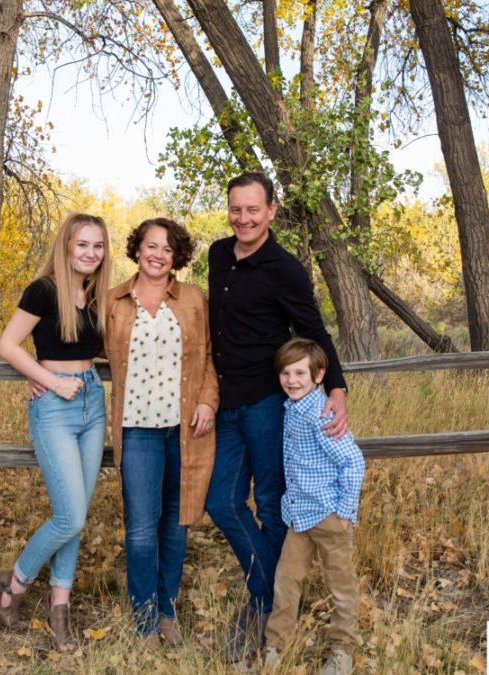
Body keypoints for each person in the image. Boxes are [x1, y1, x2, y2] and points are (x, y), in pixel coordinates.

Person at [206, 172, 350, 660]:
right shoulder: (217, 255)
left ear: (271, 210)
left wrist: (338, 388)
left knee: (270, 506)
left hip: (270, 406)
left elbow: (314, 330)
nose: (243, 218)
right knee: (222, 502)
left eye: (253, 209)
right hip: (226, 404)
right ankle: (271, 593)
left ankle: (263, 610)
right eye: (235, 209)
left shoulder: (284, 268)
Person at [0, 212, 111, 653]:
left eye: (97, 246)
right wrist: (47, 377)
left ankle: (59, 610)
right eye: (82, 245)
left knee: (75, 517)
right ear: (66, 245)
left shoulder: (97, 296)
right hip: (54, 407)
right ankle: (14, 584)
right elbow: (7, 344)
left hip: (93, 403)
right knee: (70, 516)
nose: (90, 254)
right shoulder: (43, 290)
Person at [105, 217, 219, 646]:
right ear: (137, 249)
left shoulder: (192, 299)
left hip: (184, 429)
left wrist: (208, 399)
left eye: (168, 249)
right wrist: (43, 373)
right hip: (136, 431)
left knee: (176, 522)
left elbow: (210, 354)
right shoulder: (113, 300)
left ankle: (167, 611)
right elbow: (79, 343)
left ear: (177, 257)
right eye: (151, 246)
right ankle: (143, 618)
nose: (158, 255)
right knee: (140, 526)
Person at [262, 338, 364, 675]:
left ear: (319, 376)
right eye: (286, 373)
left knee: (341, 585)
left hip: (329, 516)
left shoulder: (321, 415)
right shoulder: (292, 408)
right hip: (299, 515)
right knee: (286, 580)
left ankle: (342, 652)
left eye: (300, 373)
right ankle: (276, 647)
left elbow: (353, 462)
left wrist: (346, 513)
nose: (292, 380)